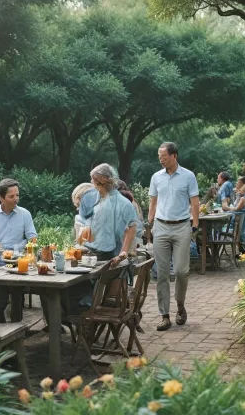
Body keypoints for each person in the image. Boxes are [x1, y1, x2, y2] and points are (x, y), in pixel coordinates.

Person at [148, 142, 200, 331]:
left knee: (180, 271)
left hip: (181, 227)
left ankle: (180, 306)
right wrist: (151, 223)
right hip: (161, 227)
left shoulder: (188, 176)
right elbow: (153, 201)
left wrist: (195, 225)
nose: (161, 159)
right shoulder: (156, 177)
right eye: (159, 156)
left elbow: (195, 202)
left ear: (174, 156)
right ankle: (164, 315)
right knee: (161, 273)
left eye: (164, 156)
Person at [0, 178, 37, 323]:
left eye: (17, 195)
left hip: (18, 261)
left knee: (17, 296)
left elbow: (33, 238)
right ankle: (0, 327)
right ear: (0, 197)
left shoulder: (24, 214)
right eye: (11, 196)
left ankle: (17, 330)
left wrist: (28, 249)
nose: (15, 199)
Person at [80, 164, 138, 264]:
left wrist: (123, 251)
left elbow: (132, 226)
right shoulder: (95, 198)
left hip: (109, 254)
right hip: (89, 250)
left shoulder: (123, 203)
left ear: (103, 180)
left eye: (94, 180)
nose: (92, 182)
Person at [224, 175, 245, 252]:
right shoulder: (239, 195)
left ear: (244, 185)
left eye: (239, 182)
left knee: (241, 235)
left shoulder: (244, 196)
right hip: (237, 220)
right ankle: (241, 251)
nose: (236, 183)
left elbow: (237, 208)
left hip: (240, 220)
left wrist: (229, 208)